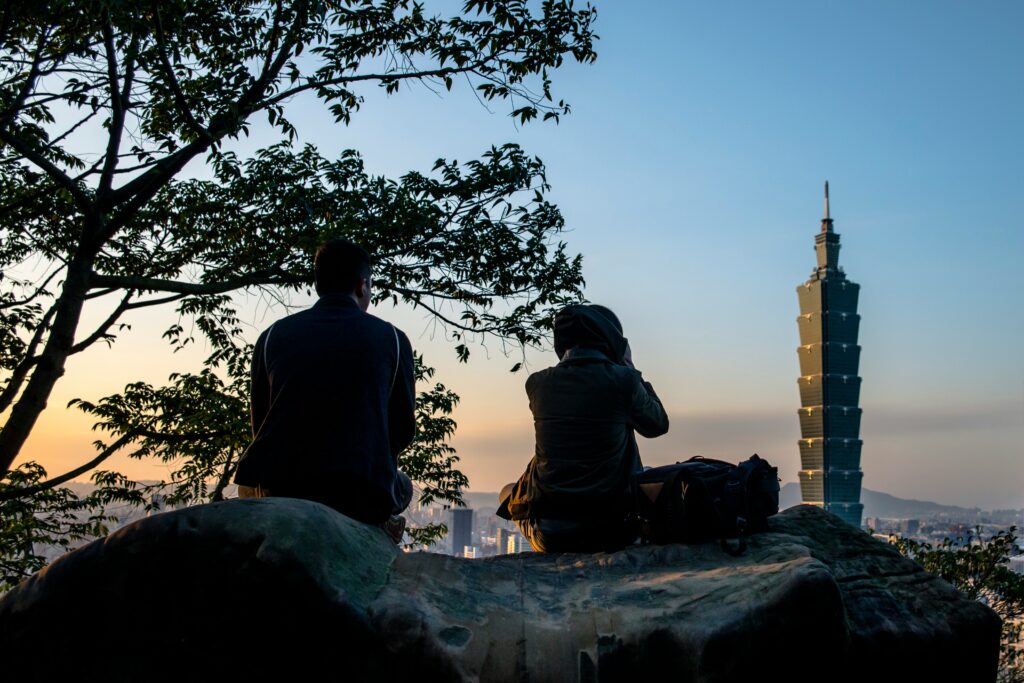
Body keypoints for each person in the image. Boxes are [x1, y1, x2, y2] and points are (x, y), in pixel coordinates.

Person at [233, 239, 416, 542]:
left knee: (246, 489)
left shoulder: (272, 336)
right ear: (362, 285)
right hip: (361, 493)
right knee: (404, 485)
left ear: (318, 285)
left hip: (281, 489)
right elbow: (402, 430)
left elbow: (260, 425)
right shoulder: (393, 339)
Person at [497, 304, 669, 552]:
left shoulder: (537, 384)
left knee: (506, 491)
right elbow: (657, 425)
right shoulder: (623, 381)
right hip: (613, 532)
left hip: (550, 533)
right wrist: (630, 368)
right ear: (613, 342)